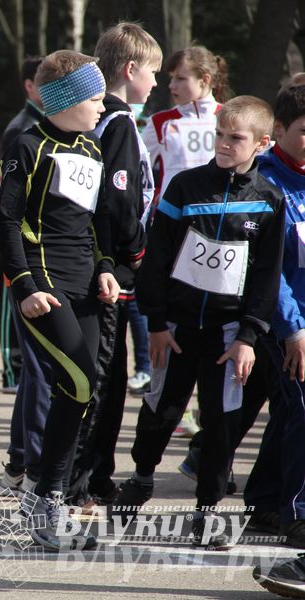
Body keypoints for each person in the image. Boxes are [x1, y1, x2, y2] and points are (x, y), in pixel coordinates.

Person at [112, 96, 284, 550]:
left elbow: (267, 275)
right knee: (160, 412)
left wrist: (249, 335)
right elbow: (158, 255)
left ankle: (207, 510)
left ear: (261, 144)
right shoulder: (186, 187)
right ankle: (142, 478)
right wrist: (156, 321)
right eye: (220, 135)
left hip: (229, 337)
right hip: (177, 330)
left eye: (236, 138)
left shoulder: (268, 200)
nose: (225, 145)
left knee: (221, 424)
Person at [0, 49, 119, 551]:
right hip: (43, 282)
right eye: (94, 97)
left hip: (86, 281)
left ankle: (47, 497)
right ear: (66, 100)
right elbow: (5, 222)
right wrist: (23, 287)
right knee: (80, 379)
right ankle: (46, 498)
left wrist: (107, 268)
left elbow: (99, 219)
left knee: (84, 390)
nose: (102, 106)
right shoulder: (27, 145)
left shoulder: (92, 149)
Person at [66, 22, 161, 509]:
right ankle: (75, 483)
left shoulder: (101, 120)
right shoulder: (118, 122)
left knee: (114, 375)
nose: (156, 84)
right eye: (151, 73)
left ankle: (97, 475)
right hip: (111, 270)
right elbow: (120, 201)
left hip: (98, 264)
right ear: (129, 70)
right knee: (101, 380)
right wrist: (134, 253)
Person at [141, 46, 229, 435]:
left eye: (180, 78)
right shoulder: (159, 122)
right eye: (171, 77)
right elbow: (144, 179)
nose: (171, 85)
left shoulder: (229, 116)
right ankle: (164, 405)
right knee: (172, 321)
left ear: (205, 81)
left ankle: (208, 422)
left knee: (213, 322)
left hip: (222, 236)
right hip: (173, 232)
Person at [243, 83, 305, 549]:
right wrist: (293, 328)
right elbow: (269, 271)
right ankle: (296, 513)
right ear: (278, 130)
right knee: (300, 407)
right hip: (280, 322)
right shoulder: (266, 184)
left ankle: (263, 500)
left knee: (289, 409)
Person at [0, 56, 43, 400]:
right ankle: (13, 368)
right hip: (15, 227)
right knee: (11, 297)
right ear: (29, 87)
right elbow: (3, 187)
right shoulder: (20, 128)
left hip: (36, 234)